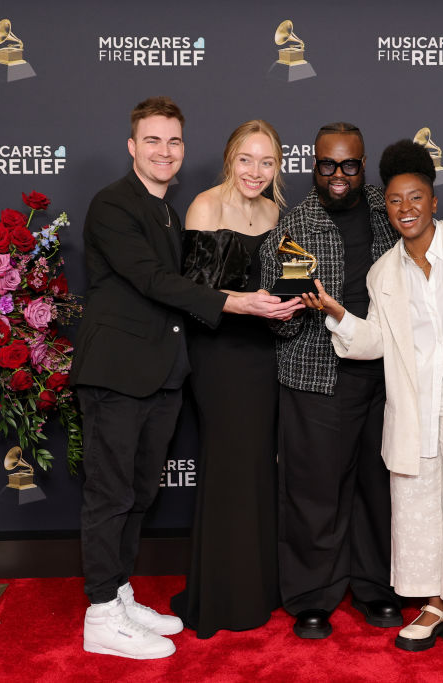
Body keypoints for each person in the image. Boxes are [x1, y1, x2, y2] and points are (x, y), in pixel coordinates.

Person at [69, 97, 301, 660]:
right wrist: (239, 303)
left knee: (138, 491)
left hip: (164, 371)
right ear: (133, 146)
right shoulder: (112, 205)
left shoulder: (169, 212)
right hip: (117, 370)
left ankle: (119, 594)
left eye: (173, 142)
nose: (164, 152)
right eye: (153, 141)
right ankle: (100, 612)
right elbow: (153, 280)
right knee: (110, 493)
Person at [302, 139, 443, 670]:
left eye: (415, 198)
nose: (405, 209)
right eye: (394, 201)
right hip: (413, 407)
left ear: (433, 202)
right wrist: (338, 314)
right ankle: (436, 602)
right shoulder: (384, 272)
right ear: (385, 206)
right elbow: (378, 343)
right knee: (416, 507)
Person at [259, 122, 402, 639]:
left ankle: (378, 589)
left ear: (363, 165)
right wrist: (297, 308)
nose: (338, 175)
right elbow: (278, 314)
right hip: (317, 377)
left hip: (387, 376)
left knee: (379, 488)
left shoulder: (393, 215)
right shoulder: (293, 227)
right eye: (327, 165)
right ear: (312, 166)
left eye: (349, 165)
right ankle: (311, 597)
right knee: (313, 492)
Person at [169, 120, 287, 637]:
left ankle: (256, 586)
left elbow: (284, 283)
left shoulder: (276, 212)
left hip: (265, 356)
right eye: (246, 160)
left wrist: (294, 305)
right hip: (218, 356)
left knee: (258, 467)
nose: (255, 172)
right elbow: (195, 300)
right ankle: (219, 596)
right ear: (229, 159)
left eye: (266, 162)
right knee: (226, 466)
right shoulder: (204, 206)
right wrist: (245, 305)